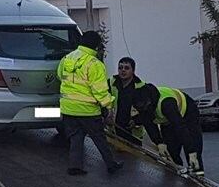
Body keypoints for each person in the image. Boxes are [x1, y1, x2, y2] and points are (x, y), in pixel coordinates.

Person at [57, 30, 124, 176]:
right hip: (87, 110)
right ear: (96, 46)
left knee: (76, 137)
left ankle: (75, 166)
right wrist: (109, 106)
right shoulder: (95, 64)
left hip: (68, 108)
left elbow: (59, 75)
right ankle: (111, 164)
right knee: (99, 138)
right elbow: (100, 90)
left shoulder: (67, 58)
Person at [132, 83, 204, 175]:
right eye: (140, 108)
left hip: (188, 114)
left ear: (150, 101)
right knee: (171, 151)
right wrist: (159, 142)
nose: (143, 109)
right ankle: (176, 173)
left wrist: (192, 152)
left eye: (144, 107)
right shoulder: (143, 106)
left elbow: (180, 127)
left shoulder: (166, 103)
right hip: (166, 121)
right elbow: (149, 124)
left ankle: (198, 174)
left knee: (194, 149)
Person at [108, 57, 146, 145]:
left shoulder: (141, 87)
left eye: (126, 68)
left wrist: (137, 121)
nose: (123, 70)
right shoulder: (111, 83)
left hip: (133, 132)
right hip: (114, 128)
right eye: (120, 68)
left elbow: (146, 110)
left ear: (133, 70)